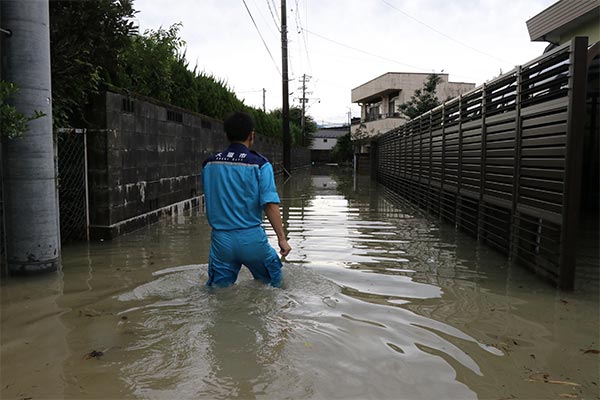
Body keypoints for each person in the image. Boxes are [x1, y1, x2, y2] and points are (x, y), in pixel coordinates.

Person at [202, 111, 291, 288]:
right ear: (252, 135)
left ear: (226, 135)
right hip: (252, 238)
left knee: (218, 292)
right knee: (275, 285)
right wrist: (281, 238)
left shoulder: (209, 164)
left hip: (221, 241)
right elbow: (269, 204)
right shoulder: (260, 164)